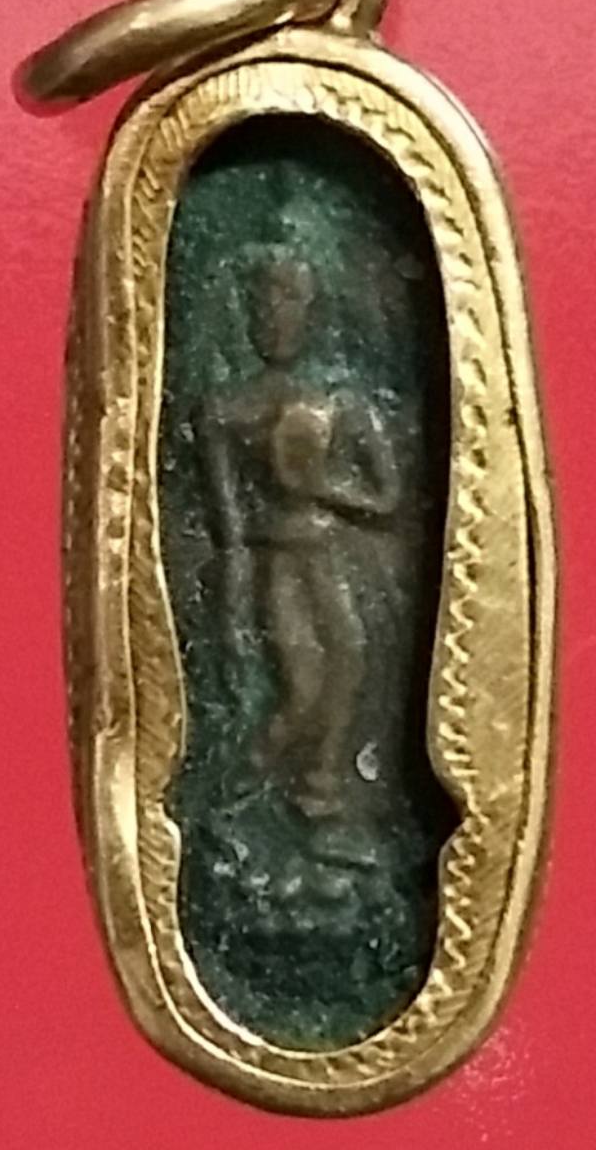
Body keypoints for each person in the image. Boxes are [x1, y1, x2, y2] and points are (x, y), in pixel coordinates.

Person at [197, 249, 400, 819]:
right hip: (278, 563)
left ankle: (322, 785)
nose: (276, 317)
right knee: (303, 689)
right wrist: (233, 605)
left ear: (314, 312)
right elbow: (228, 527)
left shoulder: (344, 406)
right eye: (264, 303)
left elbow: (388, 498)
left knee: (352, 658)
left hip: (329, 557)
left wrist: (323, 487)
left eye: (291, 301)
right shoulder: (224, 411)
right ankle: (241, 781)